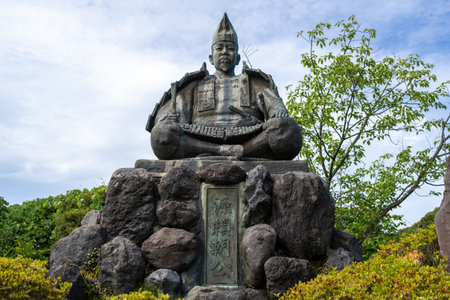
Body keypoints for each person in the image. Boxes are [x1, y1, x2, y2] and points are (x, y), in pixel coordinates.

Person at [146, 13, 302, 160]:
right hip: (200, 137)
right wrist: (167, 119)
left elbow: (277, 109)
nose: (225, 52)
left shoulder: (254, 82)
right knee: (161, 134)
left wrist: (278, 111)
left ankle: (243, 150)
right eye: (219, 48)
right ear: (211, 58)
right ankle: (221, 151)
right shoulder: (193, 85)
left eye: (231, 48)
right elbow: (166, 116)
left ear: (238, 58)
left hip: (248, 136)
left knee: (288, 129)